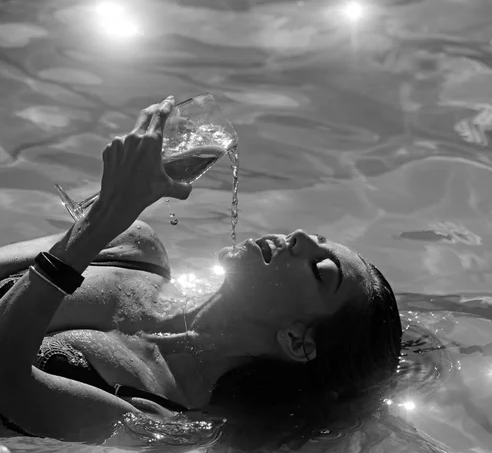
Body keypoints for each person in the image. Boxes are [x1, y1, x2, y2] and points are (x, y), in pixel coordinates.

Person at [0, 96, 402, 446]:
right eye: (316, 235)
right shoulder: (133, 248)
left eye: (320, 269)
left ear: (297, 341)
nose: (299, 237)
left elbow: (6, 383)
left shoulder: (161, 418)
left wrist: (102, 220)